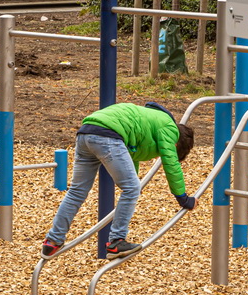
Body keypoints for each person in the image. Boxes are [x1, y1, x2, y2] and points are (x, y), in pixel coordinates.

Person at [40, 101, 197, 259]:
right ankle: (116, 241)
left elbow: (130, 154)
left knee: (77, 191)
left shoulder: (149, 120)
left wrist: (132, 180)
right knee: (132, 188)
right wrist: (182, 198)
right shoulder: (170, 128)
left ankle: (53, 240)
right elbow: (171, 162)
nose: (158, 156)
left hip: (86, 132)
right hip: (108, 135)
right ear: (177, 144)